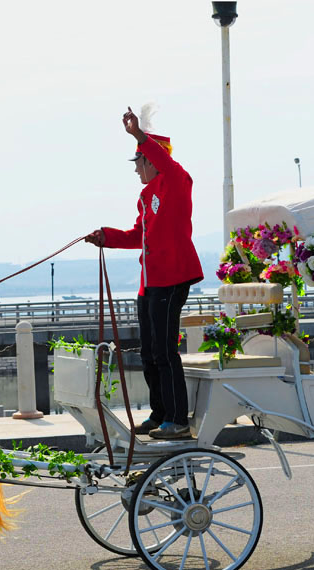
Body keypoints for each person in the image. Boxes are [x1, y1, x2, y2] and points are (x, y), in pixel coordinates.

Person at [84, 106, 203, 440]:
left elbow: (167, 163)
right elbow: (139, 235)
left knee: (166, 351)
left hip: (172, 277)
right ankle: (161, 412)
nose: (136, 169)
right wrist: (106, 237)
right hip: (150, 282)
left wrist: (139, 135)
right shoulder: (147, 194)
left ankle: (178, 418)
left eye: (138, 161)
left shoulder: (177, 182)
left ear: (151, 159)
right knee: (150, 352)